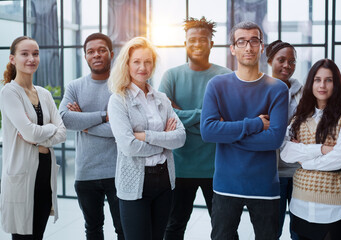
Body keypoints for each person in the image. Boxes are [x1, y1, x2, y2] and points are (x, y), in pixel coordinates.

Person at [200, 21, 289, 240]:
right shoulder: (216, 85)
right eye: (241, 41)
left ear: (262, 46)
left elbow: (275, 139)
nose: (248, 47)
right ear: (233, 48)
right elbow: (208, 132)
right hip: (226, 184)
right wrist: (255, 124)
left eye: (254, 41)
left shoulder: (278, 89)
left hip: (264, 185)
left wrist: (227, 135)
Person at [158, 16, 232, 240]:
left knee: (224, 230)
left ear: (211, 43)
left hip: (216, 167)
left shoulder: (226, 76)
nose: (197, 44)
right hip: (179, 166)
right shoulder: (171, 75)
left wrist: (182, 114)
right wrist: (206, 117)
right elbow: (163, 115)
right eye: (192, 40)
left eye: (203, 39)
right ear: (185, 44)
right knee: (173, 226)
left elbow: (227, 120)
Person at [107, 36, 186, 240]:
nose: (143, 67)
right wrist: (163, 142)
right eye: (137, 61)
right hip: (134, 182)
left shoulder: (161, 98)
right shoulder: (118, 100)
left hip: (165, 180)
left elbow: (180, 138)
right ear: (127, 64)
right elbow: (129, 146)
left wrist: (145, 136)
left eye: (148, 61)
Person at [280, 59, 341, 240]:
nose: (322, 85)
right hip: (301, 201)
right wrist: (322, 149)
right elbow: (285, 152)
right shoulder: (300, 116)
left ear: (336, 84)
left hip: (332, 204)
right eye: (317, 79)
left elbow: (340, 158)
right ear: (311, 83)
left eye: (328, 80)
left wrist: (304, 159)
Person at [59, 33, 124, 240]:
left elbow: (122, 129)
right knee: (93, 229)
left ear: (111, 54)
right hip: (86, 172)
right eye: (91, 51)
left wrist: (85, 124)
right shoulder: (74, 87)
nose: (96, 55)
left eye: (102, 50)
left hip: (118, 171)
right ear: (85, 56)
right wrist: (105, 116)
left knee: (123, 229)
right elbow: (65, 120)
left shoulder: (122, 86)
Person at [0, 36, 66, 239]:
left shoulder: (44, 94)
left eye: (35, 54)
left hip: (45, 176)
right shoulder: (9, 92)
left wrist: (39, 136)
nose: (31, 59)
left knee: (38, 235)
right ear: (13, 59)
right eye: (25, 54)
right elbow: (29, 132)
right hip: (21, 175)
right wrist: (49, 129)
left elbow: (62, 132)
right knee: (23, 236)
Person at [266, 40, 301, 240]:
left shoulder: (304, 94)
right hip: (271, 171)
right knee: (271, 230)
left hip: (298, 171)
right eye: (281, 60)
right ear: (270, 60)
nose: (287, 65)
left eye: (292, 61)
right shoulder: (260, 89)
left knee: (299, 230)